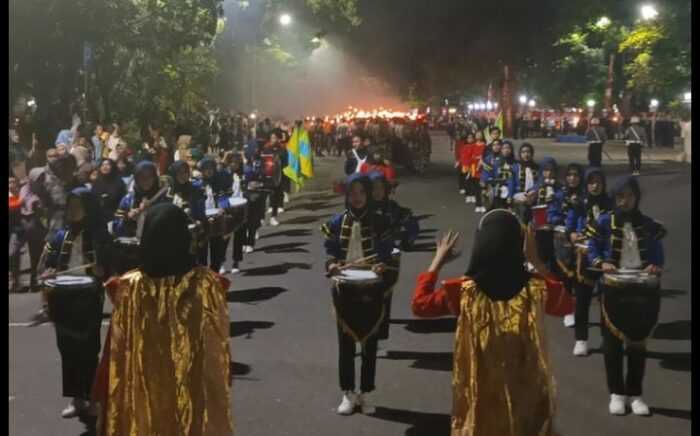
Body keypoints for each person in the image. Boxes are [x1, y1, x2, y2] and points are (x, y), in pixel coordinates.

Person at [411, 211, 560, 436]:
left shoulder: (463, 291)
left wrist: (437, 261)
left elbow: (420, 305)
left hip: (482, 396)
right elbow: (566, 304)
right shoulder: (535, 289)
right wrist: (536, 261)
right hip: (525, 389)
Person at [91, 203, 233, 435]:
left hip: (143, 391)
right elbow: (217, 344)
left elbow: (115, 350)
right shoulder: (207, 284)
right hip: (191, 385)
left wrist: (102, 391)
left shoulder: (129, 286)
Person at [587, 177, 665, 416]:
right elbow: (592, 247)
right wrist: (601, 263)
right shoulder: (603, 222)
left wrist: (654, 265)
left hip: (641, 289)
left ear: (636, 197)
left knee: (637, 345)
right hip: (614, 289)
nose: (624, 200)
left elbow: (657, 253)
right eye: (620, 196)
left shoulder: (648, 224)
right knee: (611, 346)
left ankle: (635, 394)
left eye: (629, 196)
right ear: (615, 198)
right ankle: (616, 393)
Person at [321, 174, 394, 416]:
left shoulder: (381, 222)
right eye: (353, 193)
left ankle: (366, 392)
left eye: (362, 192)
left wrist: (382, 264)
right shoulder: (336, 221)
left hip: (372, 290)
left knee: (370, 345)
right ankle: (348, 392)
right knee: (346, 346)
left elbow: (388, 254)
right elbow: (330, 251)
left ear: (368, 194)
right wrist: (332, 265)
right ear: (347, 196)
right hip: (345, 290)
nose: (357, 197)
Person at [38, 188, 113, 418]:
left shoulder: (100, 235)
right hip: (63, 298)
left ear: (88, 208)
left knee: (89, 350)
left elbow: (111, 265)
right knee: (67, 349)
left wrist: (103, 270)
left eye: (77, 206)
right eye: (70, 206)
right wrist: (48, 273)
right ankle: (76, 398)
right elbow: (47, 266)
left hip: (88, 297)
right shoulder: (61, 235)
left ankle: (93, 397)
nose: (72, 210)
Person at [569, 167, 612, 356]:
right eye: (591, 182)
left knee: (607, 300)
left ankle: (607, 338)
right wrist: (571, 234)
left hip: (606, 256)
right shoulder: (580, 203)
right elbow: (570, 224)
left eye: (598, 182)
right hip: (585, 256)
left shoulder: (611, 203)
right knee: (583, 300)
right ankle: (581, 339)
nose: (595, 186)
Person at [554, 163, 586, 328]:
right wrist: (563, 226)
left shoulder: (587, 194)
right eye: (569, 175)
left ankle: (581, 310)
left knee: (582, 278)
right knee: (566, 276)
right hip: (563, 239)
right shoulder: (560, 194)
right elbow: (552, 214)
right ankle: (568, 310)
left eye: (576, 175)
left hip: (584, 239)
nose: (572, 178)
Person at [113, 161, 168, 238]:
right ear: (136, 178)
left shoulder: (164, 198)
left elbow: (171, 226)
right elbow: (116, 229)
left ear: (155, 178)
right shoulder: (128, 200)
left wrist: (151, 212)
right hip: (133, 247)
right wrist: (128, 218)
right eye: (142, 177)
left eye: (149, 176)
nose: (146, 180)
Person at [199, 157, 233, 273]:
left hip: (217, 220)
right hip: (203, 222)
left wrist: (222, 207)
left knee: (217, 249)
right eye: (205, 169)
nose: (208, 171)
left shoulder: (220, 182)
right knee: (201, 254)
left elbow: (224, 197)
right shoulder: (197, 185)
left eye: (211, 168)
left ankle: (216, 272)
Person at [91, 159, 127, 227]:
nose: (105, 167)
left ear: (113, 167)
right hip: (98, 217)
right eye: (103, 165)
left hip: (113, 216)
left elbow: (121, 200)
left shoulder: (119, 182)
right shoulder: (97, 182)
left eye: (108, 164)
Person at [511, 142, 540, 224]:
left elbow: (539, 182)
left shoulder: (537, 167)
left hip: (533, 195)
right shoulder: (515, 167)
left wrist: (533, 191)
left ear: (532, 153)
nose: (526, 154)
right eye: (523, 152)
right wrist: (512, 198)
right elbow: (511, 184)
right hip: (519, 196)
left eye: (528, 152)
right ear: (520, 154)